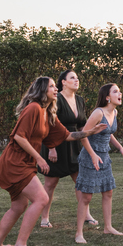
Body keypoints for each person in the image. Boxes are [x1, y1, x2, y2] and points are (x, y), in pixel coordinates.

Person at [0, 77, 104, 246]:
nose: (55, 88)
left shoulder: (47, 113)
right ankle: (20, 244)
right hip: (14, 163)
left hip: (23, 164)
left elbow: (66, 135)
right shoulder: (34, 108)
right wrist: (40, 158)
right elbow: (19, 136)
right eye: (51, 86)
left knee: (18, 206)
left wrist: (90, 132)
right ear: (42, 90)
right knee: (42, 198)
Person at [73, 84, 123, 243]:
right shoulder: (98, 113)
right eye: (115, 91)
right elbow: (83, 135)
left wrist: (120, 148)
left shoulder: (114, 112)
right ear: (107, 97)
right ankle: (79, 233)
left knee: (108, 192)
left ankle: (108, 227)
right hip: (90, 156)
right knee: (86, 196)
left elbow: (108, 132)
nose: (120, 93)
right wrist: (92, 155)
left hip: (104, 156)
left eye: (119, 91)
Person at [38, 70, 89, 229]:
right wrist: (51, 148)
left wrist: (88, 147)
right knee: (51, 183)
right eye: (72, 77)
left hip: (74, 145)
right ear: (63, 82)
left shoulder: (80, 100)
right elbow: (48, 124)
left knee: (80, 180)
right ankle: (44, 217)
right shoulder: (56, 99)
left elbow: (82, 126)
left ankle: (86, 215)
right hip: (55, 144)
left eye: (77, 78)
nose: (76, 80)